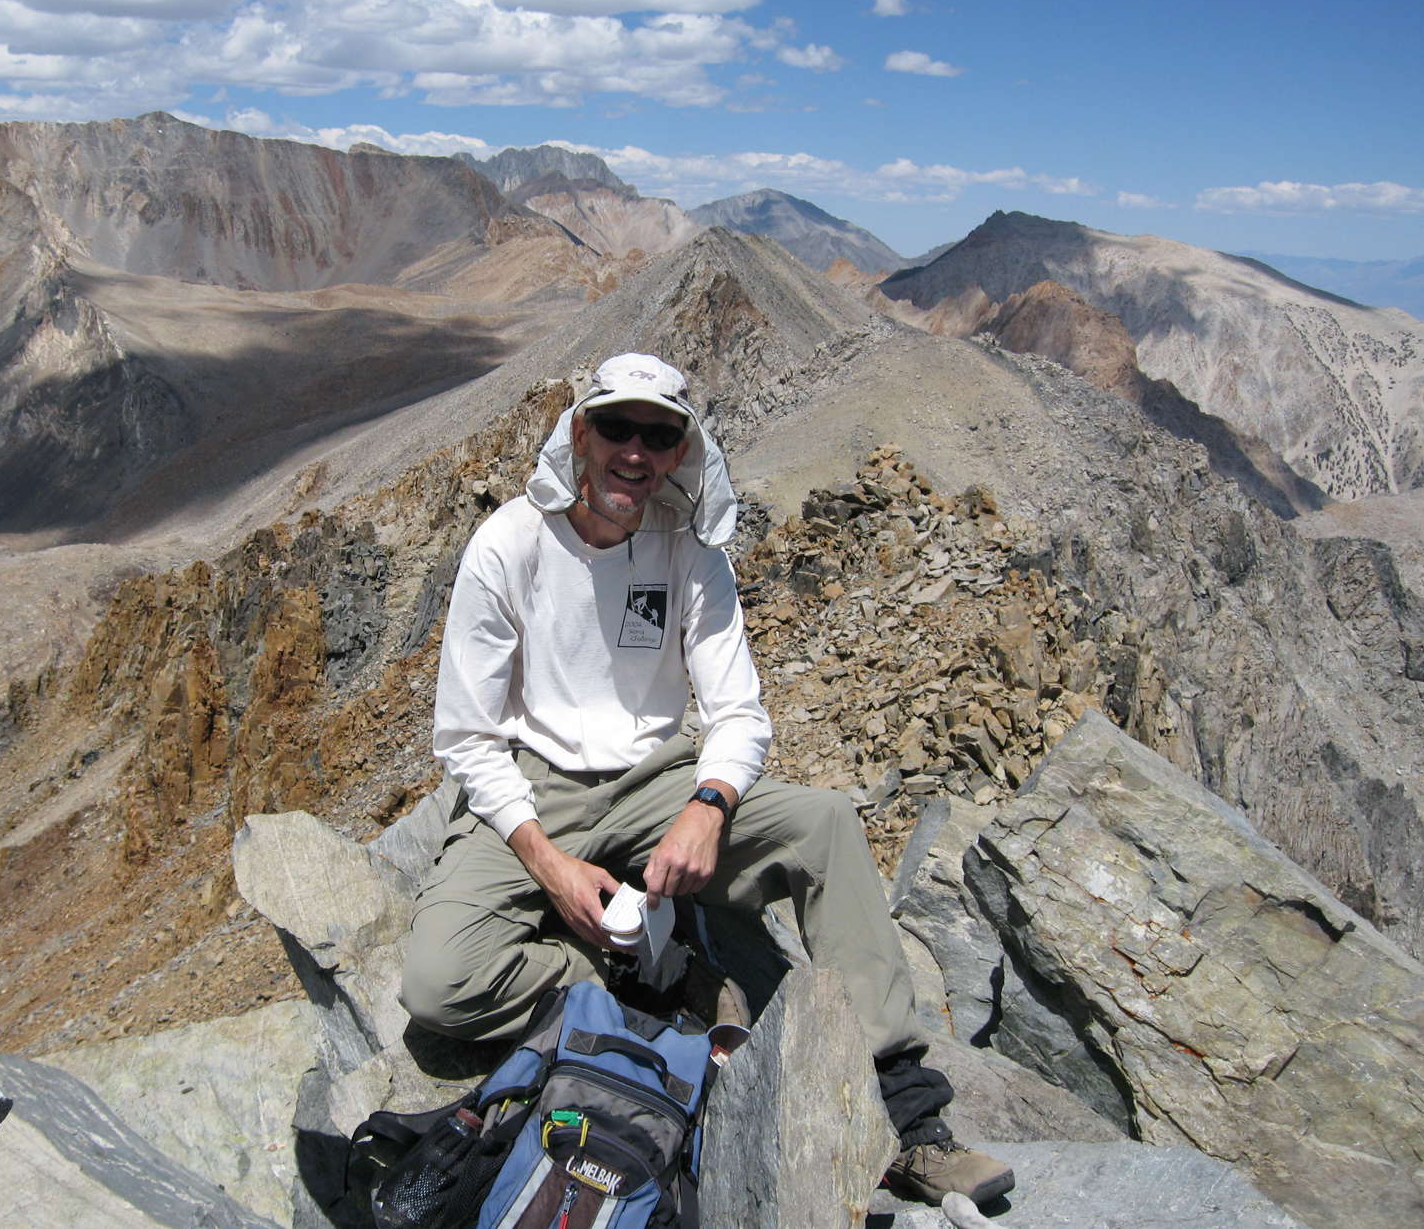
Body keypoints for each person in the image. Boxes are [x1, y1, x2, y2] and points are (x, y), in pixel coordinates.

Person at [399, 353, 1014, 1206]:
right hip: (537, 784)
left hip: (660, 776)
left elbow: (740, 712)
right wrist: (550, 865)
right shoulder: (508, 543)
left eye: (659, 436)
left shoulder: (688, 546)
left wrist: (708, 805)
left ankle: (905, 1114)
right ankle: (635, 978)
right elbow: (467, 737)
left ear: (680, 451)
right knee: (438, 982)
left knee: (828, 823)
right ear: (579, 434)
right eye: (617, 427)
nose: (635, 452)